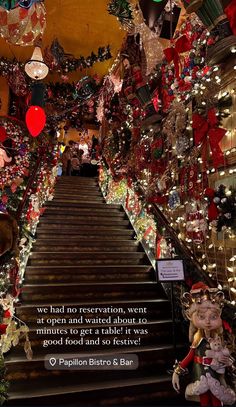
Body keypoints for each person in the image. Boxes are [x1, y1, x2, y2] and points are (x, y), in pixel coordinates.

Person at [172, 282, 235, 406]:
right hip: (200, 376)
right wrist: (177, 372)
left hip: (215, 375)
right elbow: (189, 357)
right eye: (201, 317)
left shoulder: (218, 340)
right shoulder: (197, 340)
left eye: (213, 317)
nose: (207, 322)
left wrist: (229, 363)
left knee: (217, 399)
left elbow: (227, 357)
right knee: (205, 401)